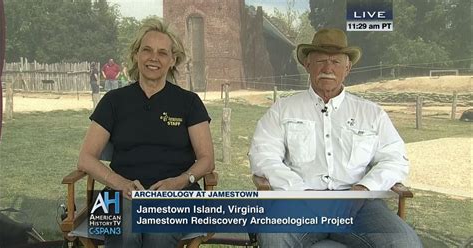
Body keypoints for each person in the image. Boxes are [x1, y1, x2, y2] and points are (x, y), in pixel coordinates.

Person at [249, 28, 422, 247]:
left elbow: (395, 159)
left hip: (360, 208)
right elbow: (263, 156)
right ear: (307, 65)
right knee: (275, 236)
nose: (328, 68)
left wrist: (363, 190)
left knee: (404, 242)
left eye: (336, 62)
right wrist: (301, 192)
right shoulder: (283, 109)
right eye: (320, 60)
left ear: (348, 68)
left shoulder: (371, 113)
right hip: (299, 204)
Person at [77, 17, 214, 247]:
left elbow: (207, 160)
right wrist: (119, 183)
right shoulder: (113, 101)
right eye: (147, 50)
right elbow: (85, 158)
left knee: (158, 232)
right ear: (136, 55)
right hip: (118, 191)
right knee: (127, 229)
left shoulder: (189, 102)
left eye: (162, 53)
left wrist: (180, 182)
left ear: (173, 60)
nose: (153, 58)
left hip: (177, 192)